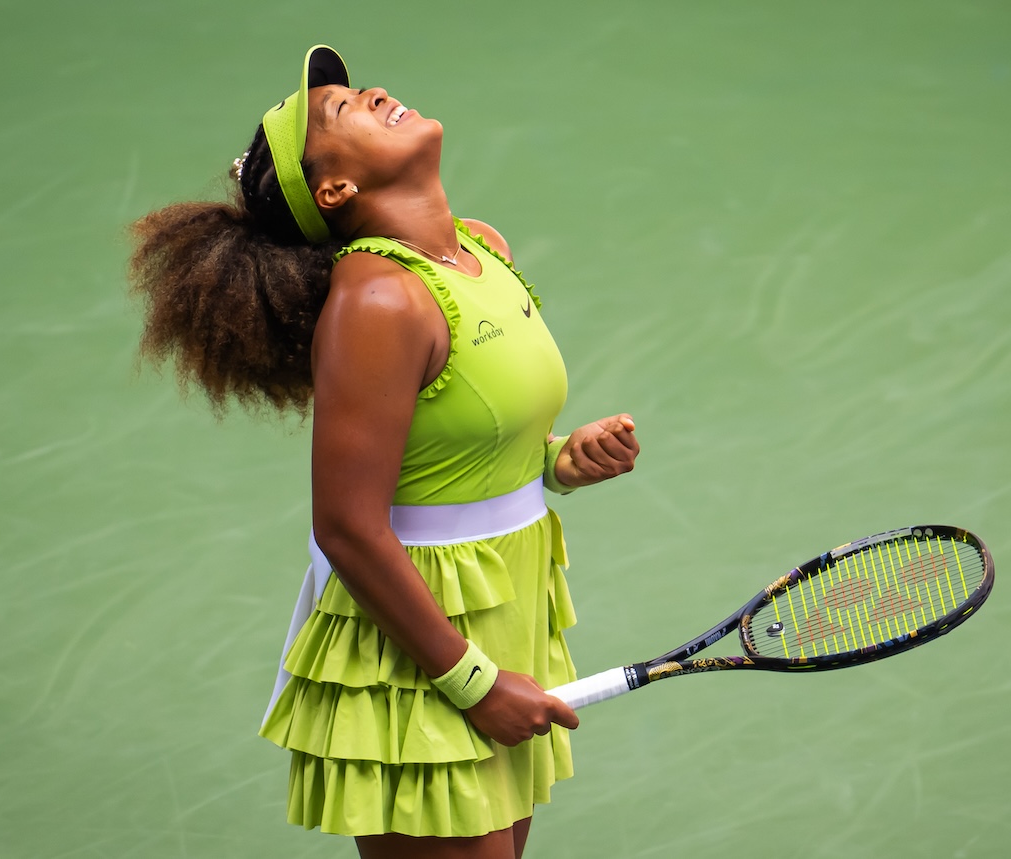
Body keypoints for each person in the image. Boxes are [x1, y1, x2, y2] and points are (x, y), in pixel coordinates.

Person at [128, 44, 640, 858]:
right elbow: (347, 526)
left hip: (509, 605)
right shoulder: (378, 300)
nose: (372, 93)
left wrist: (557, 460)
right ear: (334, 190)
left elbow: (458, 438)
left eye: (356, 91)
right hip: (418, 646)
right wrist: (469, 681)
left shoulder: (480, 250)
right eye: (343, 109)